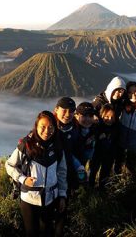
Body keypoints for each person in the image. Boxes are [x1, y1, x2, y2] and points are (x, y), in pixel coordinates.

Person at [5, 111, 67, 237]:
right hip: (29, 199)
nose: (46, 131)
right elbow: (9, 165)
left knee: (46, 232)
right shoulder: (26, 145)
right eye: (42, 127)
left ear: (55, 128)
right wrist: (23, 179)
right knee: (31, 233)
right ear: (36, 127)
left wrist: (62, 196)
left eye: (50, 127)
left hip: (51, 198)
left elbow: (61, 172)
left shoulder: (57, 147)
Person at [53, 97, 77, 236]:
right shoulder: (48, 127)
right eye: (64, 110)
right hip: (48, 176)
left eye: (71, 111)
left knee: (63, 209)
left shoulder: (75, 128)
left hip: (66, 175)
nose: (68, 114)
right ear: (56, 109)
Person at [88, 104, 117, 189]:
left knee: (105, 174)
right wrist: (98, 137)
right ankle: (90, 189)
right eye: (107, 116)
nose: (110, 119)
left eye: (112, 117)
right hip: (96, 154)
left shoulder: (116, 127)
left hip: (109, 155)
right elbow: (91, 138)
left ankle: (102, 190)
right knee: (92, 172)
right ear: (102, 115)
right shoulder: (96, 126)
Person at [69, 102, 97, 187]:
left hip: (84, 160)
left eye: (90, 116)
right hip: (73, 162)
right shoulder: (72, 130)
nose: (87, 119)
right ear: (76, 116)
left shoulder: (93, 128)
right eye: (84, 116)